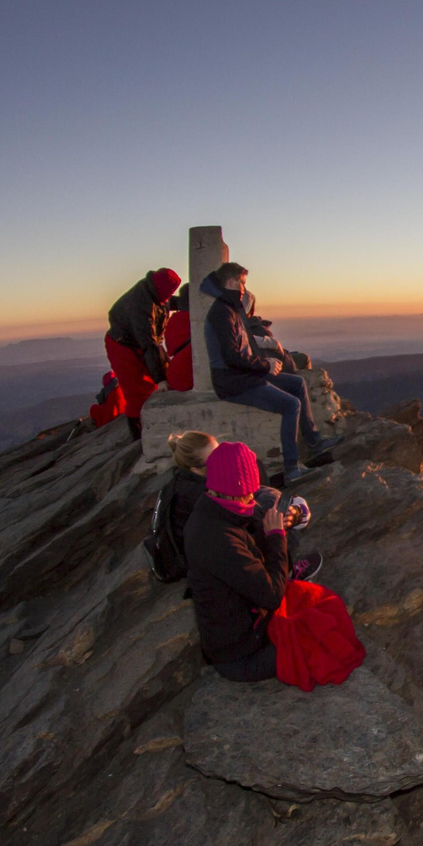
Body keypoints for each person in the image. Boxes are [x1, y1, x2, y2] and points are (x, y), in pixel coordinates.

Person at [184, 441, 324, 682]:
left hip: (244, 632)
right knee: (324, 636)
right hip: (242, 656)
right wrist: (276, 538)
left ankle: (293, 578)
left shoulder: (214, 510)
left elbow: (275, 513)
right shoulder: (218, 539)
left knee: (322, 608)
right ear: (230, 490)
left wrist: (294, 515)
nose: (251, 499)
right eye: (247, 494)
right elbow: (271, 596)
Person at [200, 263, 340, 486]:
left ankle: (314, 441)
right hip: (234, 382)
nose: (245, 289)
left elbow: (243, 350)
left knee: (297, 383)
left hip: (244, 374)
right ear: (230, 282)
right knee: (290, 405)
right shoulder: (221, 313)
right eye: (242, 283)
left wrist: (268, 362)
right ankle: (292, 469)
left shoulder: (230, 309)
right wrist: (264, 365)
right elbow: (231, 357)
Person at [162, 431, 319, 583]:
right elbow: (245, 520)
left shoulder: (191, 480)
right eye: (214, 460)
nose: (223, 461)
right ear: (196, 469)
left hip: (214, 544)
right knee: (272, 515)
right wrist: (286, 516)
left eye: (220, 452)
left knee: (268, 497)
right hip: (213, 558)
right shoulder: (199, 495)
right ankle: (288, 574)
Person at [105, 268, 181, 439]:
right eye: (167, 295)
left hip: (141, 343)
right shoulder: (140, 305)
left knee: (167, 378)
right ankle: (138, 438)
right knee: (136, 393)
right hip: (122, 346)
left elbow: (170, 302)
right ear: (159, 290)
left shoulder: (157, 293)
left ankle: (155, 427)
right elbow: (148, 343)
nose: (168, 299)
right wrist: (160, 379)